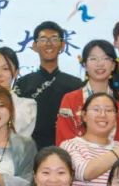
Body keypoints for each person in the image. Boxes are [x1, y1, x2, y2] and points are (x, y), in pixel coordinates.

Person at [14, 20, 83, 150]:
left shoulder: (76, 84)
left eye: (54, 39)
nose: (49, 44)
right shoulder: (23, 83)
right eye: (43, 39)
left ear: (62, 45)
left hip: (68, 150)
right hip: (30, 151)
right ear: (35, 46)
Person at [56, 40, 119, 144]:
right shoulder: (70, 99)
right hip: (77, 154)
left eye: (106, 58)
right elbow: (64, 141)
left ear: (113, 65)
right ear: (85, 65)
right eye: (93, 58)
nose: (100, 64)